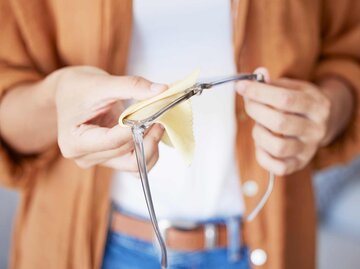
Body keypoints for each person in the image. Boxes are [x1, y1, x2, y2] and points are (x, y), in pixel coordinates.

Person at [0, 0, 359, 268]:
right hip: (89, 249)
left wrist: (326, 109)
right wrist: (55, 98)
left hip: (269, 244)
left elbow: (349, 53)